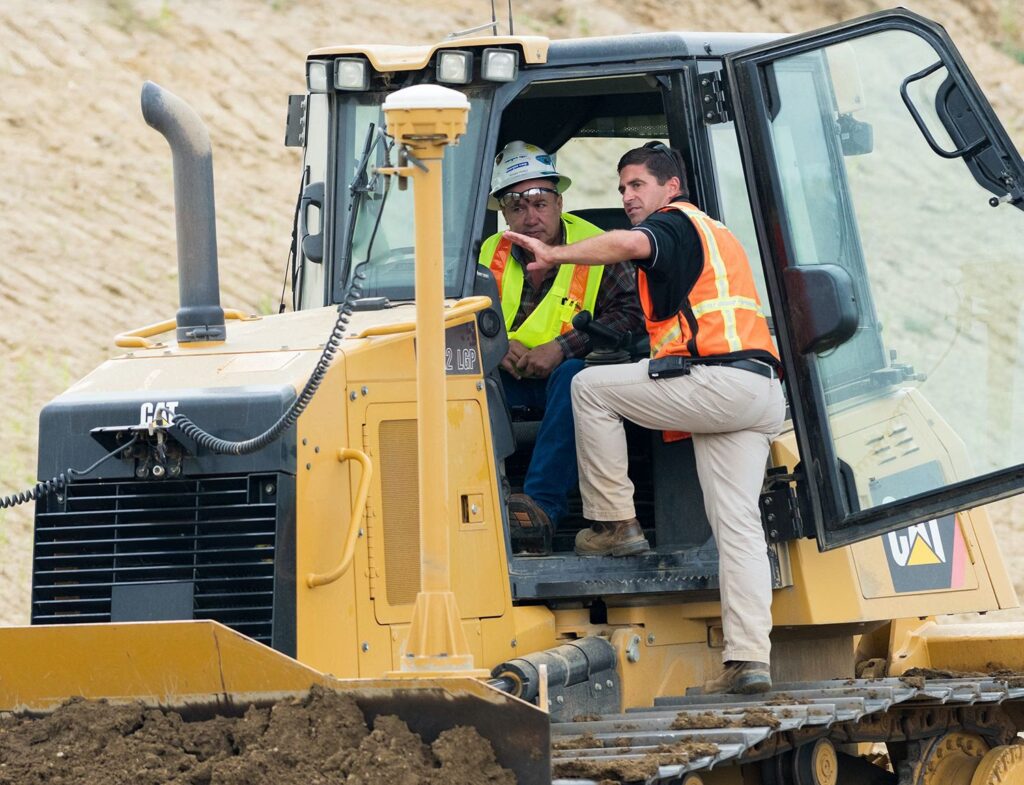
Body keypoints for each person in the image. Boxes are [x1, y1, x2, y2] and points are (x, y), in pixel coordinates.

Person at [504, 141, 785, 694]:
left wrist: (557, 255)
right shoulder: (717, 234)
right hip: (757, 391)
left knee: (588, 387)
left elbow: (631, 244)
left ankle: (615, 524)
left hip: (718, 380)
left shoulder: (674, 223)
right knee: (738, 530)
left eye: (637, 185)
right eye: (622, 188)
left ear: (670, 187)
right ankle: (749, 659)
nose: (628, 196)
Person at [480, 141, 643, 550]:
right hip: (507, 378)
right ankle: (477, 513)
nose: (531, 216)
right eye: (517, 206)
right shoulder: (489, 253)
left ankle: (538, 511)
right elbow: (463, 315)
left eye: (540, 203)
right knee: (462, 380)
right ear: (504, 213)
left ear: (559, 202)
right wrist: (497, 344)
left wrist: (563, 347)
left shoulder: (598, 246)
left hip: (570, 373)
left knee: (577, 381)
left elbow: (630, 314)